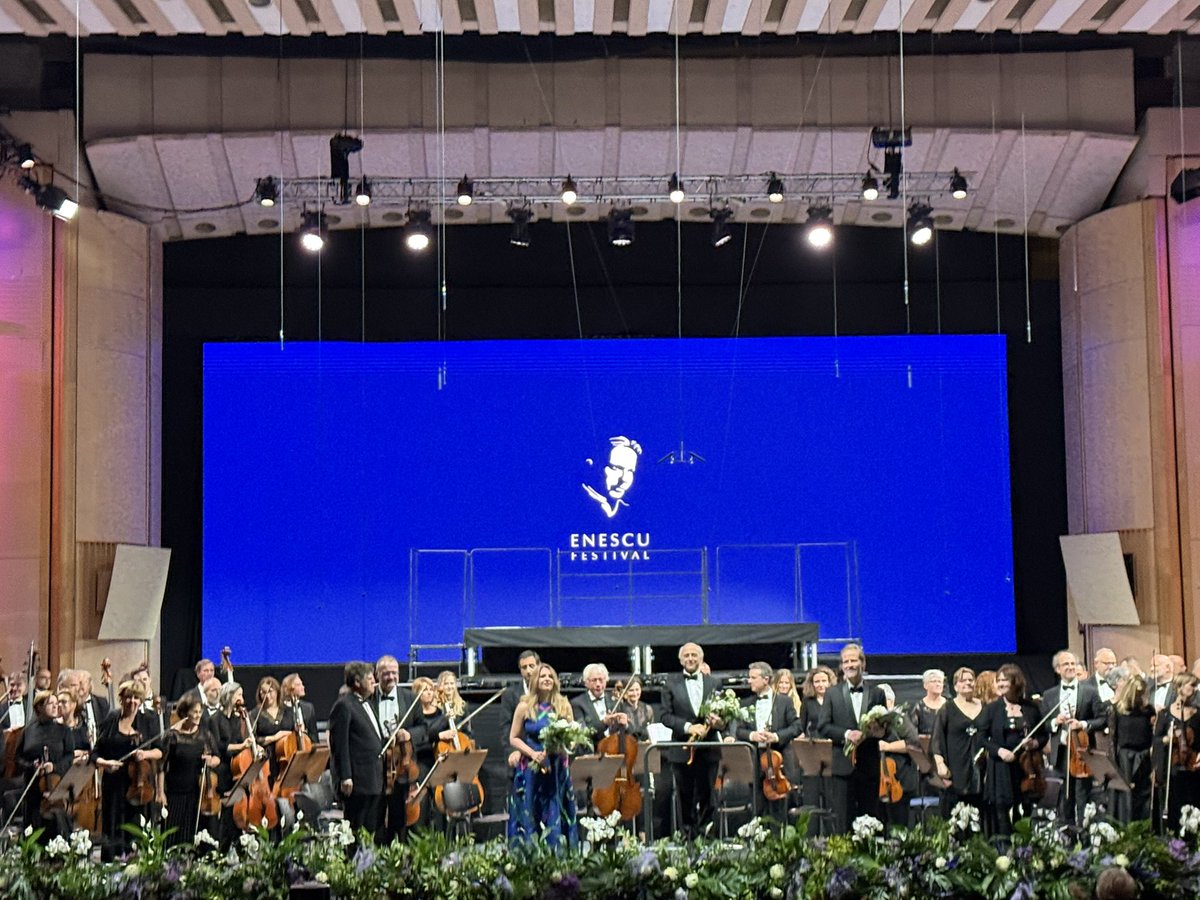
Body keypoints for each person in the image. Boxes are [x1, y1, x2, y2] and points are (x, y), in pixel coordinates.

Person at [818, 642, 888, 832]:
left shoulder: (877, 693)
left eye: (853, 660)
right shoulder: (832, 694)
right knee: (843, 822)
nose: (849, 665)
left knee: (870, 820)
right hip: (842, 767)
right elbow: (823, 726)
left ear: (862, 664)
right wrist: (847, 734)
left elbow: (886, 730)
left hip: (869, 766)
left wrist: (880, 732)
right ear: (841, 666)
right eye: (845, 661)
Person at [507, 663, 578, 848]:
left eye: (550, 676)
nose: (547, 679)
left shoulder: (563, 705)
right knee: (530, 810)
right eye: (542, 676)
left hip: (556, 766)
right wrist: (533, 754)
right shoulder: (524, 707)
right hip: (531, 766)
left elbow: (573, 736)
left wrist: (565, 744)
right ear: (534, 680)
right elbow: (513, 738)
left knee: (557, 809)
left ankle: (559, 855)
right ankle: (529, 856)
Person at [659, 642, 725, 837]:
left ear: (701, 658)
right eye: (686, 655)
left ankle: (708, 840)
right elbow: (665, 716)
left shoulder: (714, 683)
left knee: (708, 797)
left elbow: (724, 714)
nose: (690, 658)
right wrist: (689, 727)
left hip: (709, 749)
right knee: (685, 797)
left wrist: (718, 722)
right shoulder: (671, 684)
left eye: (694, 655)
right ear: (681, 660)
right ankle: (687, 838)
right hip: (682, 749)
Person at [92, 681, 164, 858]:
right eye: (128, 697)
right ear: (121, 699)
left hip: (139, 785)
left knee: (136, 829)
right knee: (113, 828)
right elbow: (95, 753)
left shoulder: (148, 721)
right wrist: (106, 763)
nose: (132, 701)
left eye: (136, 698)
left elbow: (160, 751)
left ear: (140, 701)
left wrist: (145, 755)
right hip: (114, 784)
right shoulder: (111, 719)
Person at [1041, 649, 1107, 824]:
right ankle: (1067, 834)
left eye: (1073, 663)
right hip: (1061, 752)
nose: (1070, 667)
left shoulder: (1090, 691)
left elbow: (1102, 720)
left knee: (1083, 795)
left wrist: (1083, 724)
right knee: (1065, 796)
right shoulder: (1049, 695)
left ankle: (1084, 834)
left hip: (1082, 751)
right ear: (1057, 669)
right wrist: (1055, 721)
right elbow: (1043, 725)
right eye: (1066, 664)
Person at [980, 664, 1044, 835]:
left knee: (1025, 807)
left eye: (1004, 680)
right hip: (1000, 767)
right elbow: (981, 737)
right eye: (998, 680)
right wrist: (999, 751)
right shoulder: (992, 709)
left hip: (1026, 767)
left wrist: (1034, 744)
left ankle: (1025, 847)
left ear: (1015, 682)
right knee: (1003, 810)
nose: (1000, 684)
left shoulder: (1031, 708)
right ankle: (1005, 849)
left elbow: (1043, 735)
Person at [732, 661, 800, 820]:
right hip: (755, 760)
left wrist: (776, 736)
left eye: (753, 678)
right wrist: (752, 736)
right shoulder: (746, 703)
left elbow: (797, 726)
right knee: (758, 803)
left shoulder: (784, 701)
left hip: (779, 758)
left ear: (766, 679)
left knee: (780, 804)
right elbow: (739, 730)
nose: (749, 681)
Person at [19, 690, 87, 841]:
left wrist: (54, 767)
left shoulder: (64, 731)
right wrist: (31, 765)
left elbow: (69, 756)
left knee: (57, 818)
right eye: (51, 703)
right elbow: (18, 757)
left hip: (56, 784)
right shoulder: (28, 731)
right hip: (33, 785)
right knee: (33, 821)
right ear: (39, 707)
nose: (56, 706)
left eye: (57, 703)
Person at [329, 661, 385, 835]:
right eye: (369, 678)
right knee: (357, 826)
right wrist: (346, 776)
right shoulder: (344, 705)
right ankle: (354, 860)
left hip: (374, 776)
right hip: (358, 780)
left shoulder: (368, 703)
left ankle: (367, 860)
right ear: (357, 682)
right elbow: (340, 744)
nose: (374, 682)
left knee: (371, 827)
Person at [161, 694, 220, 846]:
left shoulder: (204, 735)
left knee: (191, 832)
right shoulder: (172, 736)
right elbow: (161, 767)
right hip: (174, 790)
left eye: (200, 712)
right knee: (172, 833)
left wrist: (210, 761)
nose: (198, 715)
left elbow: (217, 758)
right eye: (194, 712)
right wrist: (161, 793)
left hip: (196, 790)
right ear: (185, 712)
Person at [373, 656, 415, 844]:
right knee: (376, 815)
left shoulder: (410, 698)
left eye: (394, 673)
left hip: (400, 766)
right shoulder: (369, 698)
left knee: (399, 815)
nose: (391, 677)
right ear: (377, 675)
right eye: (386, 673)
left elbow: (424, 728)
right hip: (375, 764)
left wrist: (409, 734)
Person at [932, 667, 984, 812]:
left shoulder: (984, 707)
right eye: (963, 680)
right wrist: (940, 764)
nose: (968, 683)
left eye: (971, 680)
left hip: (980, 769)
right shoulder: (947, 709)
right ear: (955, 686)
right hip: (956, 768)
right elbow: (937, 739)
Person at [1153, 673, 1200, 829]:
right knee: (1173, 810)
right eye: (1191, 685)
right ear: (1179, 687)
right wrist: (1167, 739)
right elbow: (1156, 740)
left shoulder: (1197, 713)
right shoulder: (1165, 714)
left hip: (1193, 769)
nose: (1194, 689)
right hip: (1171, 770)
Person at [1109, 672, 1153, 823]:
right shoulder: (1117, 710)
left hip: (1145, 758)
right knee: (1126, 798)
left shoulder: (1149, 711)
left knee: (1142, 796)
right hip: (1125, 759)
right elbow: (1113, 739)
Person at [582, 435, 642, 518]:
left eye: (630, 471)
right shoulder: (576, 502)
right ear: (592, 465)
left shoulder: (628, 508)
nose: (624, 479)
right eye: (616, 468)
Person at [501, 651, 542, 768]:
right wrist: (512, 751)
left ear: (539, 667)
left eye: (531, 666)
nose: (528, 671)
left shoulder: (546, 690)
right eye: (524, 667)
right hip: (520, 753)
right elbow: (506, 727)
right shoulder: (510, 694)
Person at [571, 663, 628, 746]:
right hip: (590, 752)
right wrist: (604, 723)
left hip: (613, 750)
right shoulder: (577, 703)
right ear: (586, 682)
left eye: (601, 680)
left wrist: (624, 725)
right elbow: (583, 734)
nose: (598, 684)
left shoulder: (615, 700)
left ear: (606, 680)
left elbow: (621, 732)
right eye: (594, 680)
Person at [910, 669, 947, 737]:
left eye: (940, 682)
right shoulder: (918, 707)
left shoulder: (950, 706)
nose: (938, 684)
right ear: (925, 685)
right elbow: (912, 734)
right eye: (934, 681)